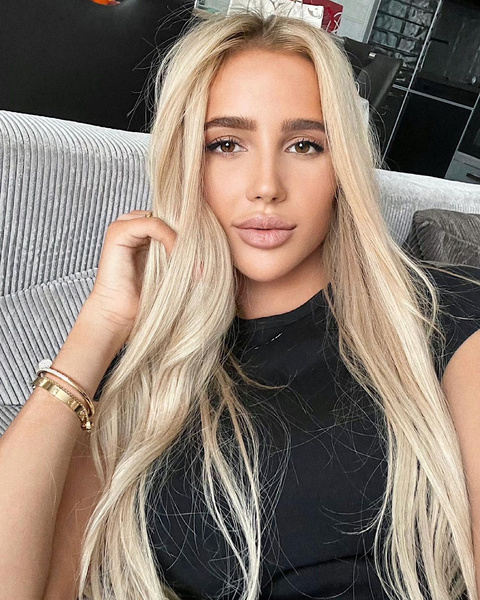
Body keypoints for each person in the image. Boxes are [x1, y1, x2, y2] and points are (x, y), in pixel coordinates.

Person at [0, 7, 479, 600]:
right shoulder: (142, 376)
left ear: (343, 167)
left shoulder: (447, 318)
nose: (266, 186)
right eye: (226, 144)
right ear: (187, 163)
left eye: (304, 145)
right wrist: (98, 328)